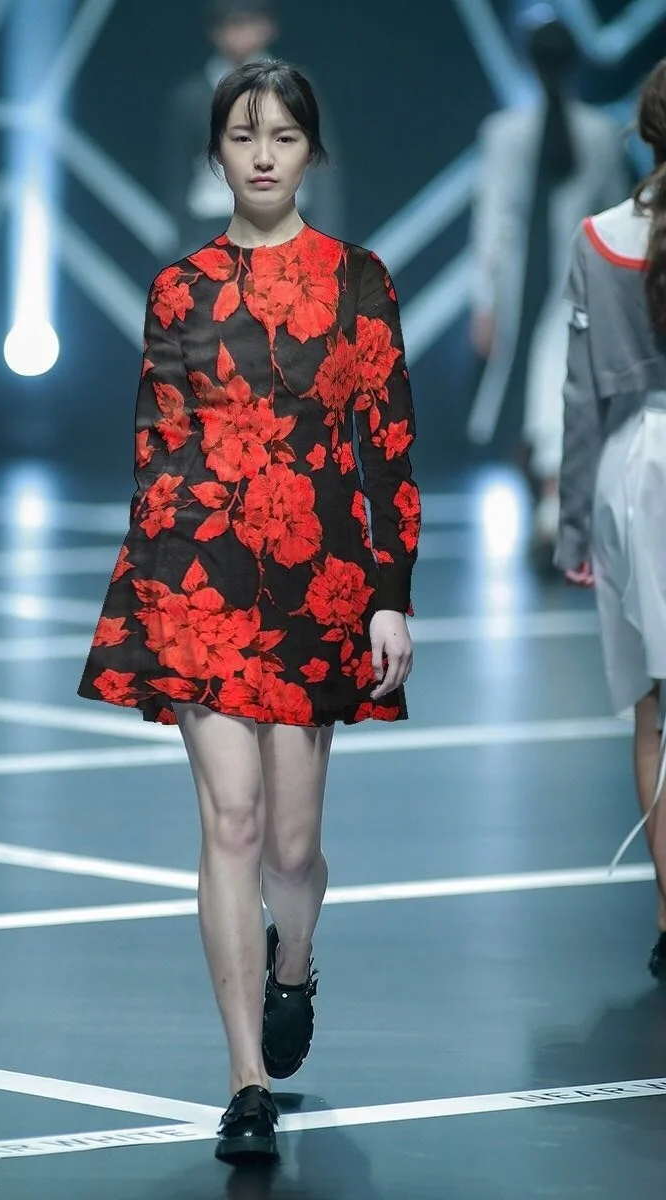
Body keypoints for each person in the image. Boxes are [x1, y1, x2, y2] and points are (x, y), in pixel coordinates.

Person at [78, 60, 419, 1163]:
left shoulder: (358, 281)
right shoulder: (179, 289)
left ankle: (293, 963)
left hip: (319, 581)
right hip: (201, 581)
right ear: (215, 151)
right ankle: (245, 1083)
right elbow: (155, 444)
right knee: (228, 821)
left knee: (292, 844)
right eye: (242, 134)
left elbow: (388, 449)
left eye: (282, 135)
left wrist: (391, 599)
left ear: (311, 150)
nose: (262, 154)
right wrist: (148, 591)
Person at [554, 58, 666, 983]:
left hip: (634, 469)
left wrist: (571, 529)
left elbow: (581, 397)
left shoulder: (599, 236)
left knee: (653, 707)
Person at [468, 10, 628, 561]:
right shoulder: (597, 132)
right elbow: (615, 220)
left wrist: (484, 301)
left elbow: (492, 224)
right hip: (565, 281)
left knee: (545, 394)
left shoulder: (510, 132)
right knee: (551, 394)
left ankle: (553, 511)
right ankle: (552, 510)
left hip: (543, 283)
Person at [162, 0, 344, 255]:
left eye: (250, 23)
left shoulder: (295, 86)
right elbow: (178, 174)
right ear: (214, 32)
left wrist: (326, 237)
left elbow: (321, 163)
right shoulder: (191, 97)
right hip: (214, 224)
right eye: (232, 25)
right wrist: (183, 243)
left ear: (269, 27)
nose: (241, 34)